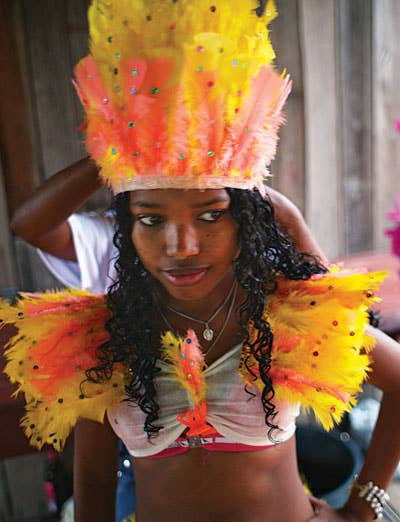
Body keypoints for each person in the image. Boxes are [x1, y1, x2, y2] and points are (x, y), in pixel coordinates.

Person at [2, 1, 400, 521]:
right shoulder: (102, 338)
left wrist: (365, 504)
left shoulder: (284, 315)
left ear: (248, 222)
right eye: (150, 219)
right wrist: (125, 149)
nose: (181, 244)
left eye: (211, 216)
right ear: (125, 226)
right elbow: (96, 482)